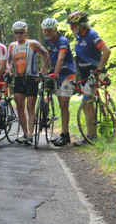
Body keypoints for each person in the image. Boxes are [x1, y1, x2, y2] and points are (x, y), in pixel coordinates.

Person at [67, 11, 111, 146]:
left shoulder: (91, 35)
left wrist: (99, 70)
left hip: (94, 74)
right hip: (85, 75)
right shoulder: (79, 37)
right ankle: (95, 133)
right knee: (90, 104)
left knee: (85, 104)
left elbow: (107, 51)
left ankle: (90, 136)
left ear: (81, 25)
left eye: (73, 25)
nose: (71, 28)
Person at [6, 20, 49, 146]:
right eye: (16, 32)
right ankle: (25, 134)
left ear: (25, 32)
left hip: (32, 78)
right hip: (18, 78)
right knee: (20, 107)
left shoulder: (33, 43)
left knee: (30, 106)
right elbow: (8, 60)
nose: (19, 34)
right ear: (14, 33)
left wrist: (42, 70)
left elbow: (46, 54)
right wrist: (8, 70)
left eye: (21, 32)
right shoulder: (12, 46)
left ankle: (30, 134)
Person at [41, 17, 76, 146]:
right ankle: (65, 135)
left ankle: (64, 134)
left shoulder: (63, 40)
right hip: (56, 73)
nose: (47, 33)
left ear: (55, 29)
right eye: (45, 31)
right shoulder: (48, 41)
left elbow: (61, 59)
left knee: (63, 103)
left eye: (50, 30)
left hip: (67, 74)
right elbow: (51, 56)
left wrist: (55, 74)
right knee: (59, 103)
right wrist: (48, 70)